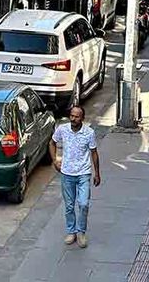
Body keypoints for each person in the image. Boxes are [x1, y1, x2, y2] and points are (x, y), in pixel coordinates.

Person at [49, 106, 101, 249]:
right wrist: (55, 160)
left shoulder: (89, 133)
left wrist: (97, 173)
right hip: (67, 173)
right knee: (69, 205)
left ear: (82, 118)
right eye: (71, 116)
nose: (73, 119)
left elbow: (94, 152)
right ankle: (71, 231)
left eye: (77, 116)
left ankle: (81, 232)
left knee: (83, 204)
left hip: (84, 173)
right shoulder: (62, 129)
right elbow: (52, 143)